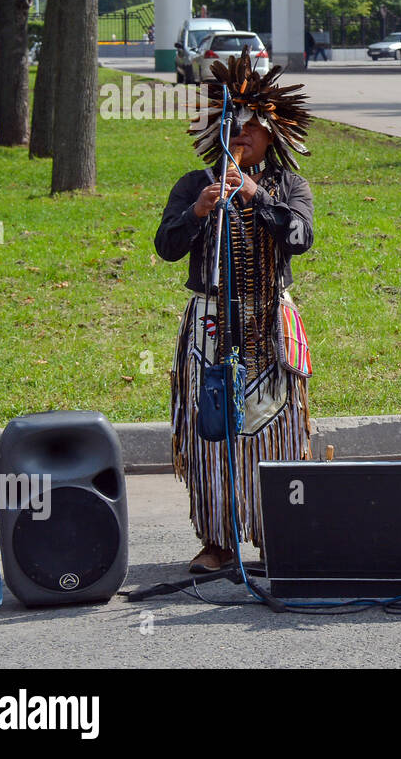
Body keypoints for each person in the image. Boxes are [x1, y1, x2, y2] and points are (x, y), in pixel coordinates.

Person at [154, 49, 315, 573]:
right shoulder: (191, 183)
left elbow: (300, 236)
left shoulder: (288, 187)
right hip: (209, 327)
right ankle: (218, 540)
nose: (240, 131)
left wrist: (255, 197)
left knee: (276, 430)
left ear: (274, 134)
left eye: (252, 124)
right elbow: (166, 247)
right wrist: (199, 210)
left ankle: (279, 534)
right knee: (211, 429)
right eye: (231, 121)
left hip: (269, 324)